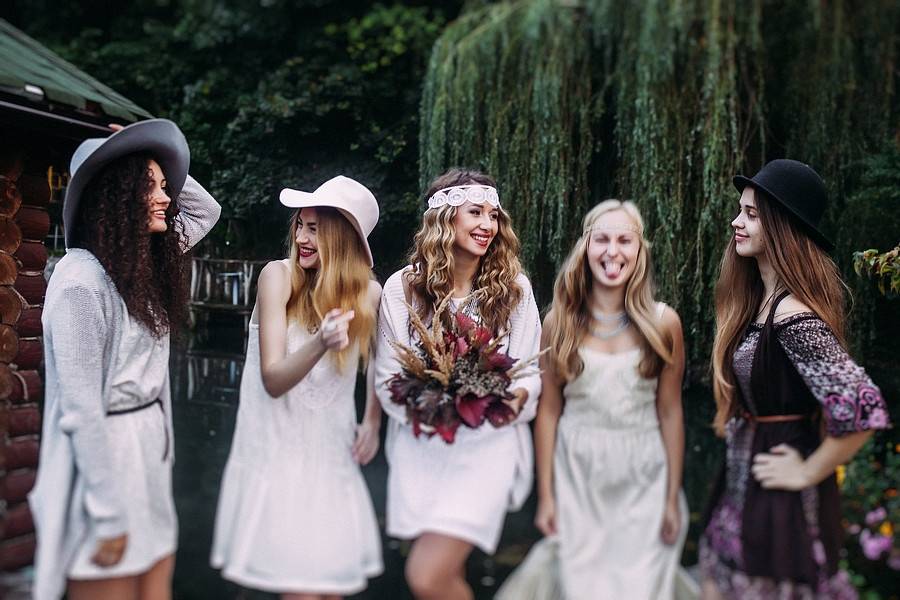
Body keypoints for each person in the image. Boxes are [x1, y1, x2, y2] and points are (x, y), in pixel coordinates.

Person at [30, 119, 221, 600]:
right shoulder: (80, 281)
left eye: (164, 185)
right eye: (150, 186)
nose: (166, 198)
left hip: (148, 453)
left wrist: (142, 144)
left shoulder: (141, 262)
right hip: (106, 464)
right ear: (116, 196)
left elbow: (206, 211)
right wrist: (108, 515)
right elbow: (81, 411)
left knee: (156, 587)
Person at [700, 159, 891, 598]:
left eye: (751, 214)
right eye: (740, 210)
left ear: (782, 226)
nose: (736, 222)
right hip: (746, 478)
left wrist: (808, 470)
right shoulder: (762, 303)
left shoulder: (794, 317)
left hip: (778, 495)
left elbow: (865, 407)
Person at [498, 200, 689, 599]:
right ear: (585, 247)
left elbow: (670, 412)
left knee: (639, 587)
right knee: (582, 585)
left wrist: (671, 497)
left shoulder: (664, 323)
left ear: (640, 251)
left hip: (643, 473)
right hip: (578, 471)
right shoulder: (559, 323)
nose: (612, 251)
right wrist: (546, 497)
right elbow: (549, 412)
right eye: (601, 239)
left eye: (624, 240)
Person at [210, 176, 383, 599]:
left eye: (315, 229)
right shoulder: (278, 277)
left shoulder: (370, 295)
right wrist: (321, 342)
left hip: (331, 460)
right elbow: (273, 380)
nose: (302, 238)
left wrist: (372, 421)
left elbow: (383, 362)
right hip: (278, 458)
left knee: (330, 591)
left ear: (342, 239)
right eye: (300, 226)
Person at [373, 168, 542, 599]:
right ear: (445, 217)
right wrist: (437, 404)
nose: (487, 225)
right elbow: (388, 377)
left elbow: (529, 372)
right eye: (475, 212)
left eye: (493, 215)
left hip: (487, 448)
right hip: (422, 448)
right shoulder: (402, 289)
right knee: (446, 575)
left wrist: (509, 400)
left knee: (426, 576)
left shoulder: (514, 290)